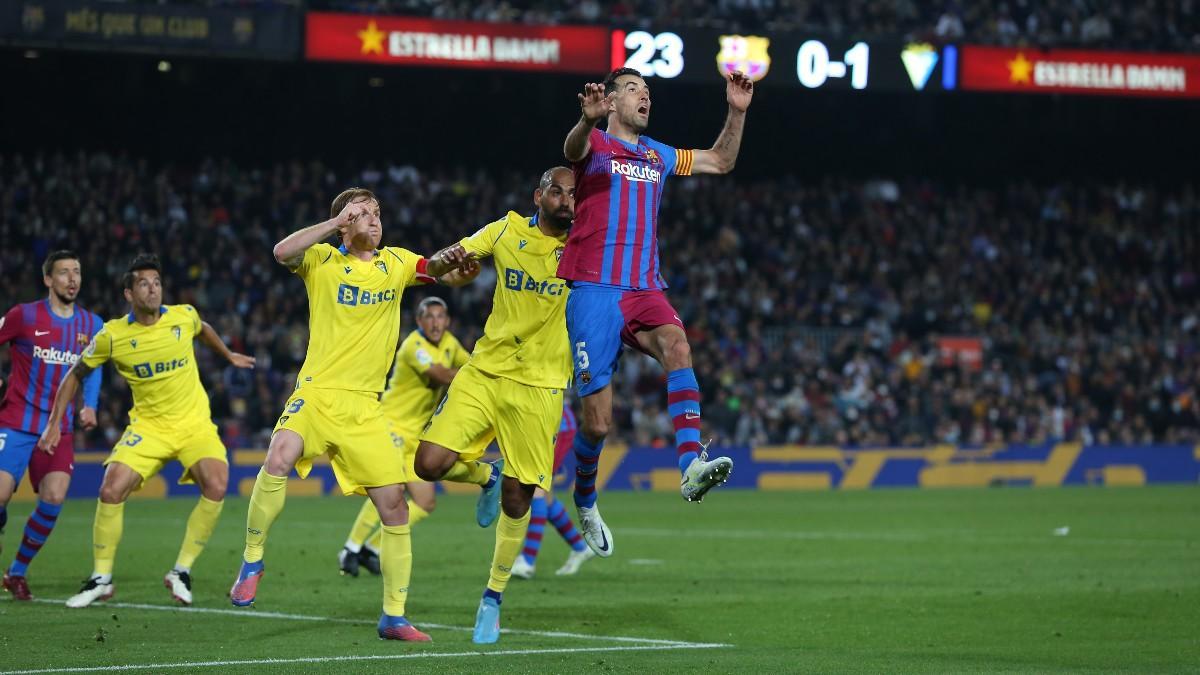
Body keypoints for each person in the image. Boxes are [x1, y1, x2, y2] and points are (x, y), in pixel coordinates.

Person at [229, 188, 475, 642]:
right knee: (279, 456)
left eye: (377, 212)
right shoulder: (321, 260)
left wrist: (457, 263)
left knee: (396, 508)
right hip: (318, 394)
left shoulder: (396, 263)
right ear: (343, 222)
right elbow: (281, 251)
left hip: (365, 407)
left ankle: (394, 617)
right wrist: (335, 223)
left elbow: (432, 268)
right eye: (362, 214)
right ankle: (252, 558)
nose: (374, 219)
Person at [559, 67, 754, 556]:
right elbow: (572, 151)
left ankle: (690, 465)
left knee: (677, 343)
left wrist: (736, 110)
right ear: (610, 100)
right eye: (633, 90)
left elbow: (721, 161)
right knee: (598, 423)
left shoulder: (659, 154)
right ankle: (584, 497)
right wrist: (587, 121)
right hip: (595, 291)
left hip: (643, 286)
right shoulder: (597, 147)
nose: (644, 97)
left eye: (648, 91)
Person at [37, 253, 254, 608]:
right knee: (110, 490)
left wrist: (228, 355)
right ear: (128, 293)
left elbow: (203, 328)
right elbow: (75, 374)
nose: (152, 290)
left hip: (193, 425)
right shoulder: (113, 335)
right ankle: (101, 578)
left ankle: (181, 571)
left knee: (216, 484)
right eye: (143, 284)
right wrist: (53, 424)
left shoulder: (183, 315)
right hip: (149, 428)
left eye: (156, 283)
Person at [414, 167, 575, 644]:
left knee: (519, 499)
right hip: (485, 371)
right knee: (428, 463)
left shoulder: (587, 245)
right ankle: (488, 473)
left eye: (573, 193)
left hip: (541, 385)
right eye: (556, 191)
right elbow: (454, 258)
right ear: (538, 196)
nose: (566, 199)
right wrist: (448, 267)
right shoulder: (505, 230)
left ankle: (492, 597)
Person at [337, 296, 469, 577]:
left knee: (425, 502)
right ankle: (350, 548)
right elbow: (442, 375)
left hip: (418, 436)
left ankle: (371, 548)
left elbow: (470, 366)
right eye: (429, 317)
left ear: (447, 321)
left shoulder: (450, 343)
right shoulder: (414, 346)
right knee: (391, 488)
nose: (435, 323)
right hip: (392, 425)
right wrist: (472, 375)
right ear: (420, 321)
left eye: (440, 317)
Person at [0, 251, 103, 601]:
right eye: (63, 273)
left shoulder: (92, 325)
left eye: (77, 272)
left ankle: (16, 573)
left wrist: (90, 404)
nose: (72, 279)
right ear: (48, 280)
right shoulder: (23, 315)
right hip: (16, 421)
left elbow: (94, 367)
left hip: (58, 429)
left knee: (54, 496)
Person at [510, 402, 594, 579]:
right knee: (545, 495)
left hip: (554, 425)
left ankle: (527, 561)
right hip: (543, 424)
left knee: (536, 488)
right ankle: (580, 547)